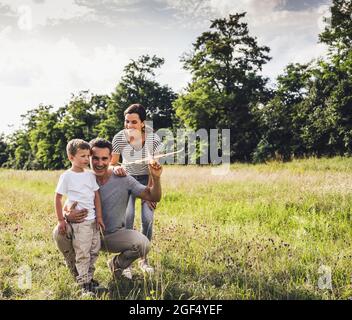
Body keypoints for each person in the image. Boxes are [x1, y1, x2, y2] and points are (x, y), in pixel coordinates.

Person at [52, 138, 162, 291]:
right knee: (59, 232)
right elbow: (66, 205)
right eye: (95, 158)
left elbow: (153, 196)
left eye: (104, 158)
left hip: (111, 235)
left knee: (143, 244)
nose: (99, 163)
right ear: (88, 157)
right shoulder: (82, 177)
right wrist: (67, 215)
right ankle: (78, 274)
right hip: (85, 233)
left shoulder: (123, 178)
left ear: (111, 159)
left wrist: (156, 178)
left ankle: (116, 265)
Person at [111, 103, 163, 277]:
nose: (129, 126)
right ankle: (125, 264)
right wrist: (115, 169)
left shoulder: (153, 140)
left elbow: (153, 169)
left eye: (134, 122)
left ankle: (143, 259)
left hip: (147, 179)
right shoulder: (119, 138)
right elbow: (112, 163)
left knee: (147, 219)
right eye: (127, 121)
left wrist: (150, 192)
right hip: (127, 179)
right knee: (128, 217)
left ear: (142, 123)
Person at [54, 139, 105, 295]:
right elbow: (57, 198)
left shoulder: (90, 175)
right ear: (71, 157)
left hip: (93, 221)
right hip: (80, 222)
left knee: (94, 251)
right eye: (82, 156)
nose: (86, 159)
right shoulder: (67, 176)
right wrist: (61, 220)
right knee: (83, 253)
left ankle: (89, 279)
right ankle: (83, 284)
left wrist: (99, 217)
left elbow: (96, 196)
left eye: (87, 155)